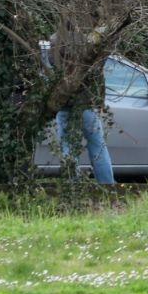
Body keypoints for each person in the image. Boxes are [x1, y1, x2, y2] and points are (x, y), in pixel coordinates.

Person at [47, 26, 114, 185]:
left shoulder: (54, 41)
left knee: (68, 148)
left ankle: (74, 188)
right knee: (98, 147)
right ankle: (108, 186)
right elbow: (97, 72)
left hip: (65, 104)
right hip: (86, 103)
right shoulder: (87, 41)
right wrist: (98, 100)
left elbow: (51, 70)